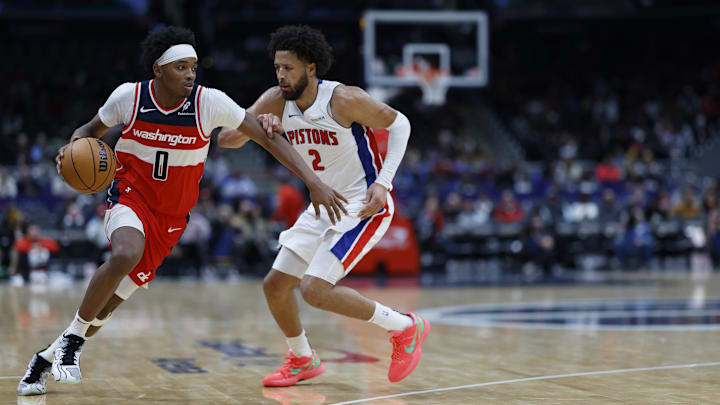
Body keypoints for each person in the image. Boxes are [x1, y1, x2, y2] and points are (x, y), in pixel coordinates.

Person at [17, 26, 347, 396]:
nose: (191, 73)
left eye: (193, 66)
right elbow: (89, 130)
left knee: (102, 313)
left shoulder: (210, 103)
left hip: (171, 219)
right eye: (181, 67)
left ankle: (47, 356)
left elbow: (267, 138)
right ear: (158, 70)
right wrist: (72, 147)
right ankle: (72, 344)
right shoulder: (130, 97)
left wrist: (312, 181)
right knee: (126, 252)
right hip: (130, 194)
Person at [217, 25, 429, 387]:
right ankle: (302, 358)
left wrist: (383, 182)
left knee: (314, 289)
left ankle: (406, 327)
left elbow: (400, 124)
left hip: (363, 205)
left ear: (311, 68)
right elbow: (226, 138)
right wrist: (258, 126)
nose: (281, 75)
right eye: (277, 68)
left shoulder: (344, 99)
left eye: (289, 68)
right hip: (323, 205)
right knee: (275, 286)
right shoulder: (274, 100)